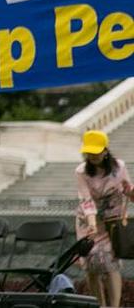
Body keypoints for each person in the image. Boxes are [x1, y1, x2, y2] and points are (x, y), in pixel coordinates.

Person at [75, 129, 133, 307]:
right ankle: (99, 304)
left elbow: (128, 189)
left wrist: (130, 191)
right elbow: (86, 200)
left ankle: (114, 306)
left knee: (110, 264)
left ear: (105, 150)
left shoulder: (119, 168)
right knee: (91, 263)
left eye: (96, 152)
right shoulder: (81, 171)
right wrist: (92, 223)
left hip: (112, 223)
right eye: (89, 152)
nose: (92, 156)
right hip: (88, 222)